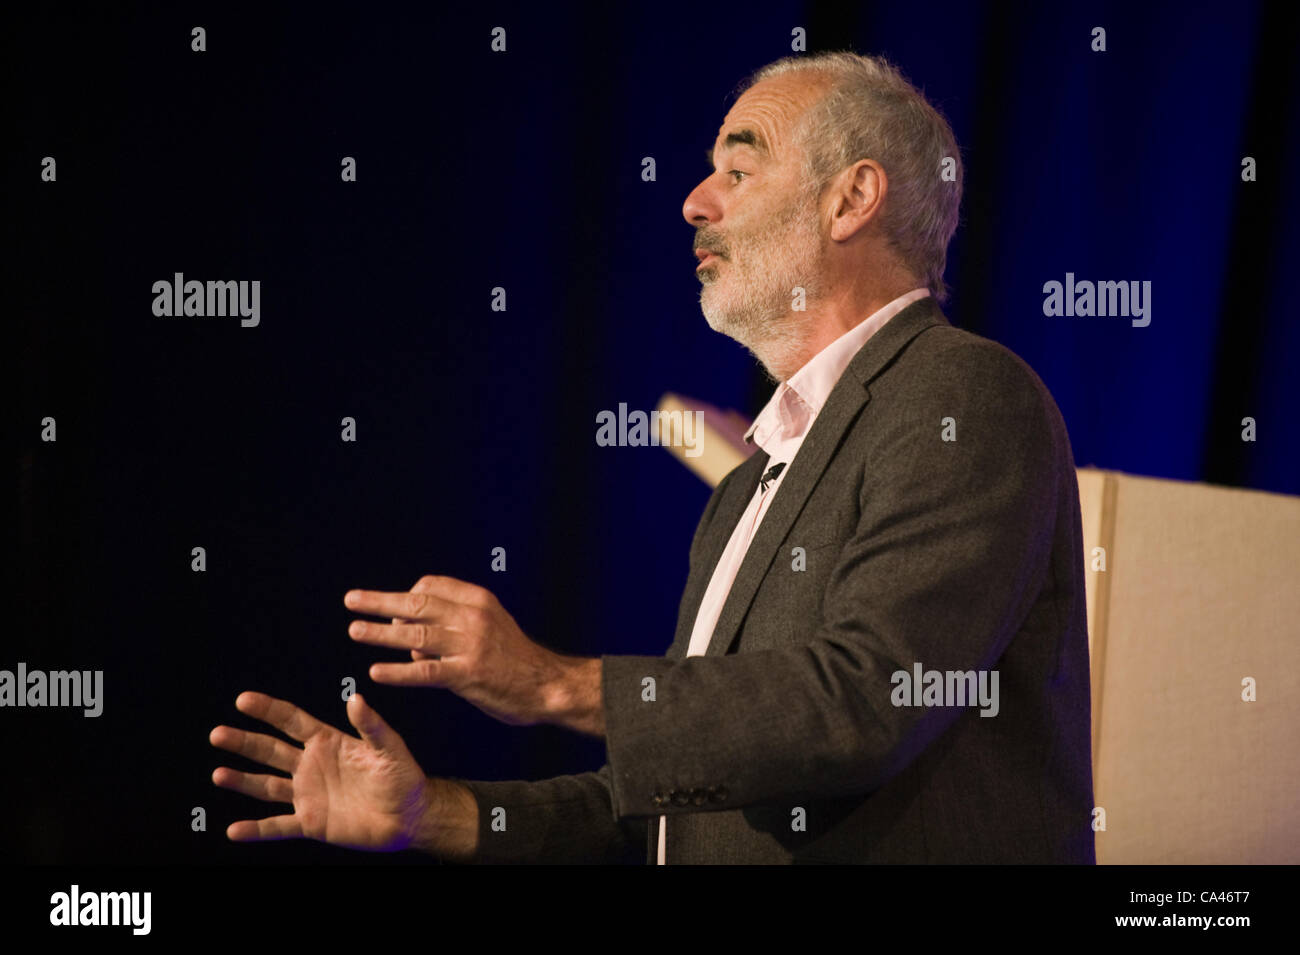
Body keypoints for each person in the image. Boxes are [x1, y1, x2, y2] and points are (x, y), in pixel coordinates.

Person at [210, 51, 1095, 864]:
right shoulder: (749, 483)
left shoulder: (963, 396)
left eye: (738, 170)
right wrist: (429, 813)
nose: (695, 202)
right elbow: (675, 798)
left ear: (851, 199)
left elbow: (864, 703)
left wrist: (551, 682)